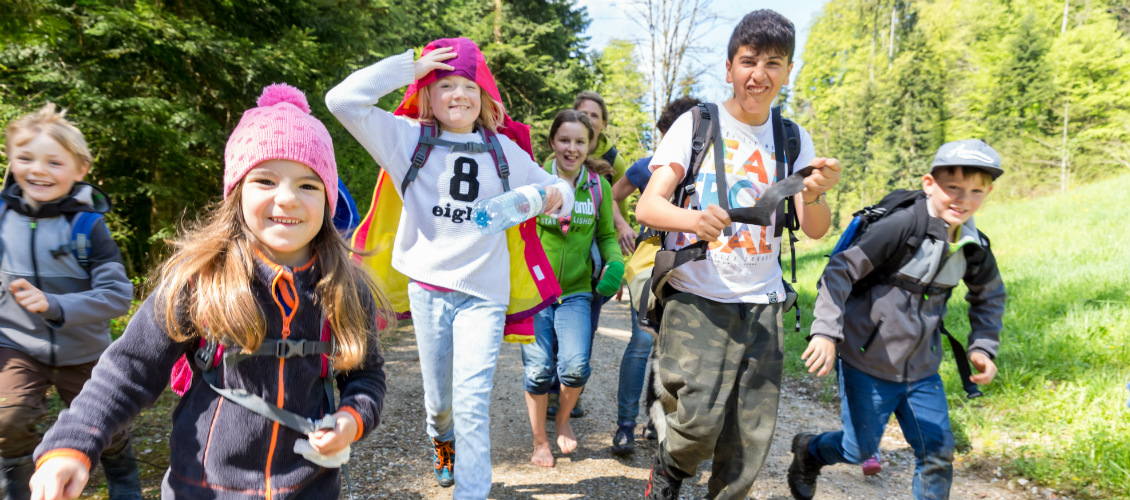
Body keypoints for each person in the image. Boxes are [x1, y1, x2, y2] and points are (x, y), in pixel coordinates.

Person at [29, 84, 391, 500]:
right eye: (266, 180)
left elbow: (366, 376)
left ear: (328, 198)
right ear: (236, 193)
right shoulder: (199, 281)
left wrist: (350, 420)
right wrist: (72, 444)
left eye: (308, 185)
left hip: (310, 489)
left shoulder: (347, 289)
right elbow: (127, 369)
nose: (287, 198)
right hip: (201, 488)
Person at [325, 38, 572, 500]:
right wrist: (408, 66)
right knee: (440, 404)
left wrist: (557, 196)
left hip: (485, 294)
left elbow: (558, 187)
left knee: (472, 402)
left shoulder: (502, 151)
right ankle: (443, 445)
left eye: (469, 86)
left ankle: (470, 493)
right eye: (446, 85)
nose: (459, 94)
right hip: (429, 289)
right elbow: (341, 100)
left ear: (484, 98)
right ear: (426, 95)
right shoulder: (405, 141)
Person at [636, 9, 843, 500]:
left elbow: (815, 229)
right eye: (748, 61)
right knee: (699, 422)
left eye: (774, 63)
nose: (760, 74)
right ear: (729, 68)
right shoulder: (697, 124)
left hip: (764, 303)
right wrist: (693, 220)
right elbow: (648, 205)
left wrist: (816, 193)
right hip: (698, 298)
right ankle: (669, 471)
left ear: (788, 72)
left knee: (749, 439)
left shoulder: (794, 139)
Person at [788, 139, 1007, 500]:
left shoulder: (974, 244)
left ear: (989, 192)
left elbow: (990, 296)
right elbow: (839, 271)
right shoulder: (903, 225)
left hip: (922, 368)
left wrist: (983, 346)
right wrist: (826, 332)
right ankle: (809, 451)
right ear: (929, 184)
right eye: (952, 187)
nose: (962, 199)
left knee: (937, 454)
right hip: (866, 362)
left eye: (975, 191)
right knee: (858, 450)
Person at [0, 104, 139, 500]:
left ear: (80, 170)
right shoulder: (2, 217)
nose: (38, 170)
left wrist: (56, 305)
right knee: (7, 418)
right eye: (25, 158)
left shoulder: (88, 226)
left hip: (83, 350)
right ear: (11, 162)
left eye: (53, 162)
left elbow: (117, 295)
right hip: (16, 345)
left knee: (106, 426)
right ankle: (17, 488)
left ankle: (124, 479)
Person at [522, 110, 623, 467]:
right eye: (564, 140)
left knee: (576, 367)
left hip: (576, 292)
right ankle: (539, 442)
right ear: (552, 142)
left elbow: (607, 236)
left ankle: (562, 419)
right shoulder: (532, 179)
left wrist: (615, 263)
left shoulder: (598, 187)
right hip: (533, 292)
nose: (571, 148)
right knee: (537, 370)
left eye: (580, 141)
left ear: (590, 145)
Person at [609, 96, 701, 455]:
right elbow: (611, 197)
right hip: (650, 264)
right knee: (644, 341)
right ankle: (625, 425)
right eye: (666, 134)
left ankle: (658, 418)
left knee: (677, 349)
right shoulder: (646, 166)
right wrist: (621, 228)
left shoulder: (711, 172)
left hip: (693, 267)